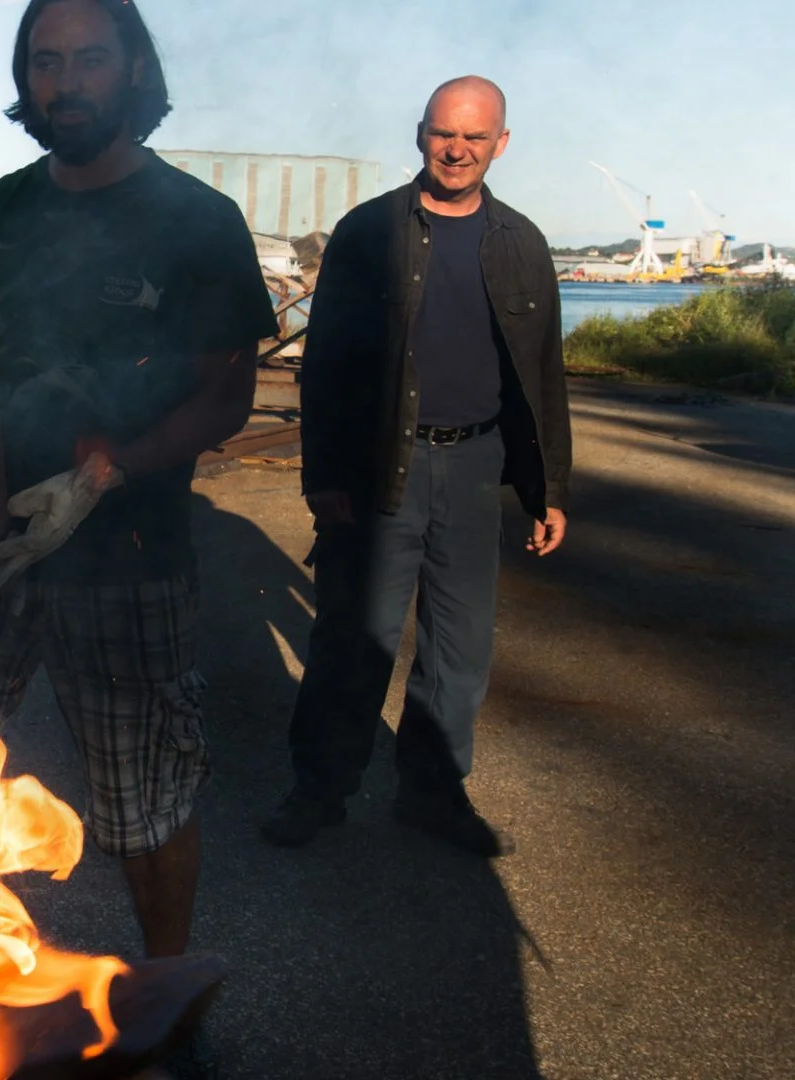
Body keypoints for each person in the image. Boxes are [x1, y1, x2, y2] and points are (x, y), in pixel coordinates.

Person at [0, 0, 275, 964]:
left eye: (87, 60)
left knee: (143, 797)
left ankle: (164, 987)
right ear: (25, 80)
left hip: (129, 553)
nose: (64, 83)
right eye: (45, 62)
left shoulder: (199, 221)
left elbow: (225, 396)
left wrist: (116, 468)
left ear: (132, 72)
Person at [260, 76, 572, 856]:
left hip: (474, 465)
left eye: (475, 137)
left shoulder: (522, 243)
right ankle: (320, 791)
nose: (458, 150)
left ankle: (432, 794)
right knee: (352, 639)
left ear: (501, 144)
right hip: (377, 467)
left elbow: (543, 374)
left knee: (460, 648)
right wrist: (322, 479)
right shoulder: (369, 233)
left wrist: (549, 490)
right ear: (421, 134)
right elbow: (325, 364)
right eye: (445, 133)